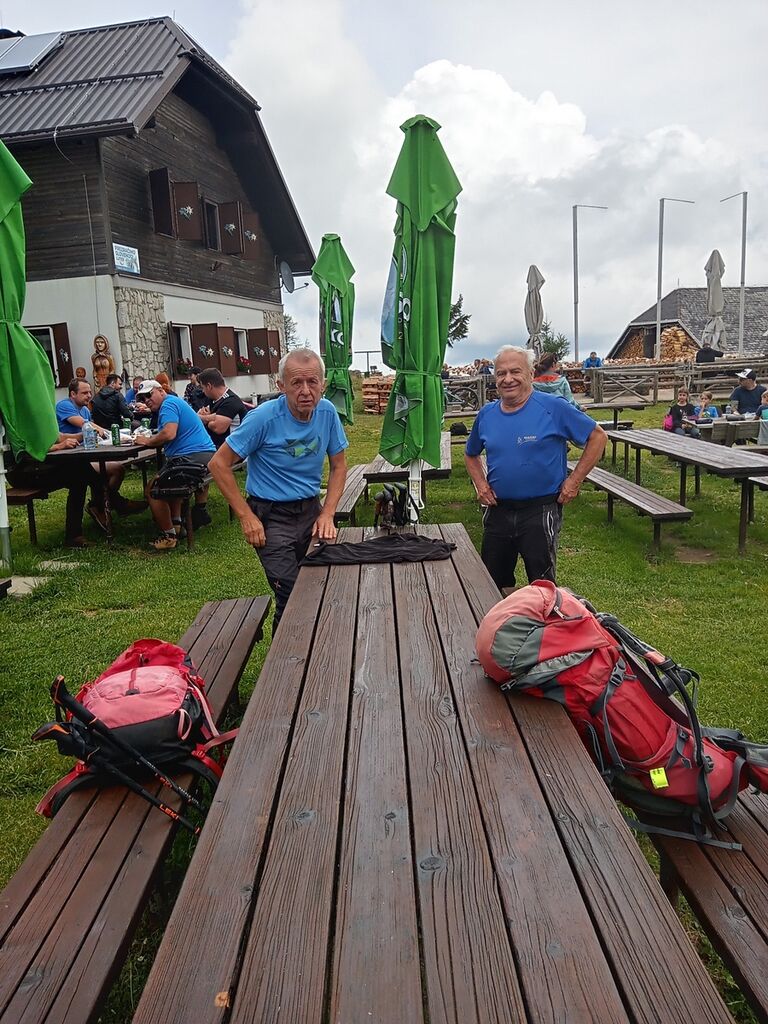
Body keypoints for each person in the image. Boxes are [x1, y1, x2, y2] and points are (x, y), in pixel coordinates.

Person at [209, 349, 348, 631]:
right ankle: (288, 657)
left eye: (312, 382)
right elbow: (218, 464)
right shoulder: (263, 418)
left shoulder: (327, 413)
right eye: (296, 383)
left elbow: (339, 465)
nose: (306, 391)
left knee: (320, 584)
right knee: (291, 592)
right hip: (271, 516)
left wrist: (328, 514)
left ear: (323, 384)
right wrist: (247, 517)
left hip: (310, 510)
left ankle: (319, 647)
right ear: (281, 385)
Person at [464, 345, 606, 592]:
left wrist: (574, 482)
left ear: (530, 374)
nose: (508, 379)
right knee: (492, 583)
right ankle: (499, 616)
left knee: (542, 586)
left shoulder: (553, 407)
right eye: (501, 373)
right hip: (498, 510)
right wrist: (481, 485)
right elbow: (470, 454)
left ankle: (542, 618)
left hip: (540, 509)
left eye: (515, 371)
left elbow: (598, 437)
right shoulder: (487, 415)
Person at [133, 379, 216, 550]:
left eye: (149, 395)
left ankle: (169, 537)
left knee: (153, 490)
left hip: (192, 458)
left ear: (161, 391)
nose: (147, 400)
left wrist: (147, 441)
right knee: (170, 479)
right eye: (142, 398)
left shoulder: (168, 405)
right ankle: (177, 525)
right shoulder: (173, 402)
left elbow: (169, 434)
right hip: (203, 456)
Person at [55, 379, 146, 526]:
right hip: (71, 458)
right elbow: (84, 425)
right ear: (73, 394)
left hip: (87, 453)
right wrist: (105, 432)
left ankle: (99, 505)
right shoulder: (64, 405)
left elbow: (91, 430)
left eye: (90, 392)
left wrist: (107, 435)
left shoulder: (85, 410)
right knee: (99, 474)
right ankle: (116, 505)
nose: (89, 395)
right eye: (84, 393)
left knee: (118, 469)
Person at [8, 434, 99, 548]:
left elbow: (56, 436)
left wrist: (83, 434)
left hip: (36, 466)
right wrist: (59, 446)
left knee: (79, 468)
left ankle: (106, 503)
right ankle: (107, 504)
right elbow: (27, 450)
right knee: (79, 471)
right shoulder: (19, 423)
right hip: (22, 473)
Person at [190, 369, 250, 529]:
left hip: (234, 451)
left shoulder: (231, 400)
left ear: (209, 386)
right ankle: (198, 509)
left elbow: (218, 428)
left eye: (203, 387)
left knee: (195, 462)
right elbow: (213, 419)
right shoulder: (214, 401)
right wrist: (210, 417)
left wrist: (203, 418)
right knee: (194, 456)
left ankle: (198, 510)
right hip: (216, 447)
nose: (203, 391)